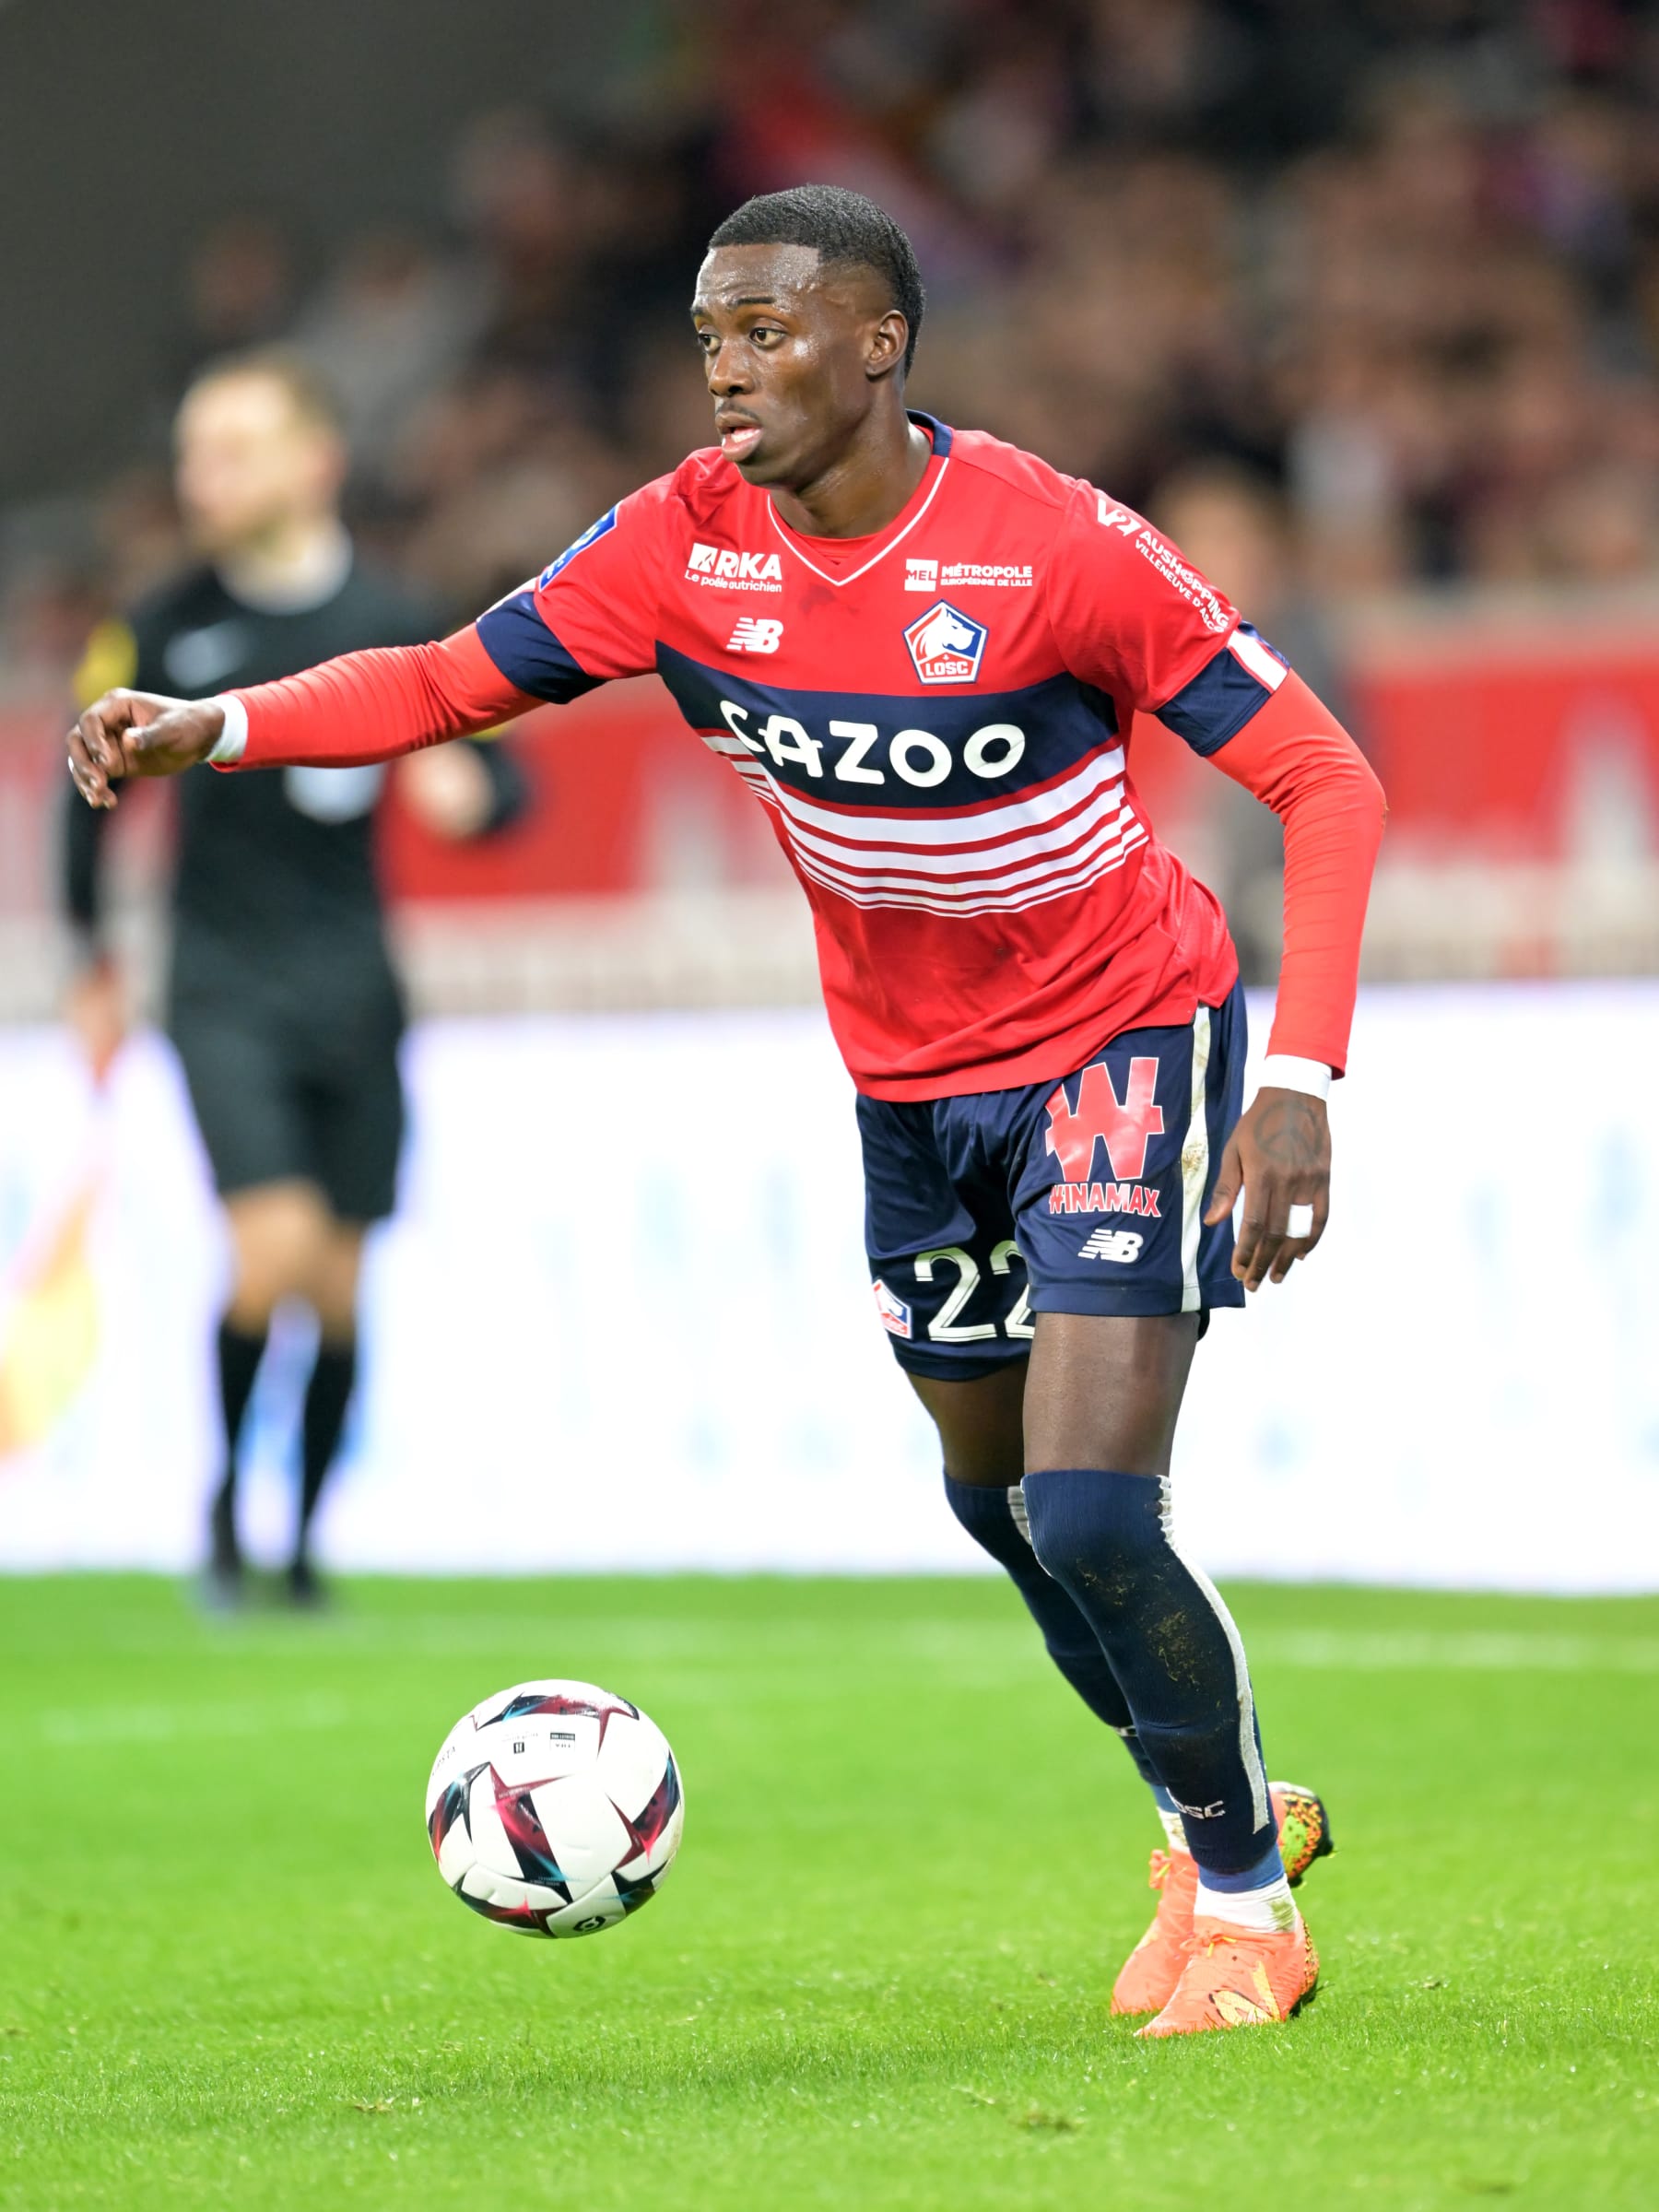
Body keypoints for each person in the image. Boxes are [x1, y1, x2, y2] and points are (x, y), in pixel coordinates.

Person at [66, 188, 1384, 2035]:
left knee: (1092, 1507)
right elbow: (450, 681)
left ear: (879, 345)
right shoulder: (682, 547)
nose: (731, 375)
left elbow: (1325, 779)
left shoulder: (1048, 547)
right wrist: (222, 728)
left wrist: (1305, 1083)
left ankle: (1245, 1896)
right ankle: (1222, 1806)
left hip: (1123, 1038)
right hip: (910, 1085)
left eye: (769, 333)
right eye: (710, 341)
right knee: (995, 1500)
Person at [63, 350, 524, 1607]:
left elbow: (503, 783)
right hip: (221, 981)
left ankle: (304, 1543)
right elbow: (86, 797)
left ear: (315, 461)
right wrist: (91, 958)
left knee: (339, 1286)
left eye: (233, 449)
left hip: (354, 983)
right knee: (269, 1253)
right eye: (193, 454)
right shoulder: (160, 621)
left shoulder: (395, 618)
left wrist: (467, 790)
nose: (201, 477)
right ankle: (222, 1503)